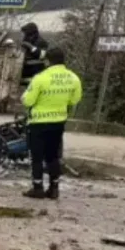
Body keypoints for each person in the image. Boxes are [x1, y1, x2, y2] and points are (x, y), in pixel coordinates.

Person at [21, 47, 81, 200]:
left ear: (47, 60)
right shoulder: (73, 78)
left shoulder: (40, 78)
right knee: (53, 156)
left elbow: (28, 100)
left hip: (38, 123)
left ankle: (37, 187)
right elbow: (75, 100)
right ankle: (54, 188)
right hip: (58, 122)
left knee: (37, 157)